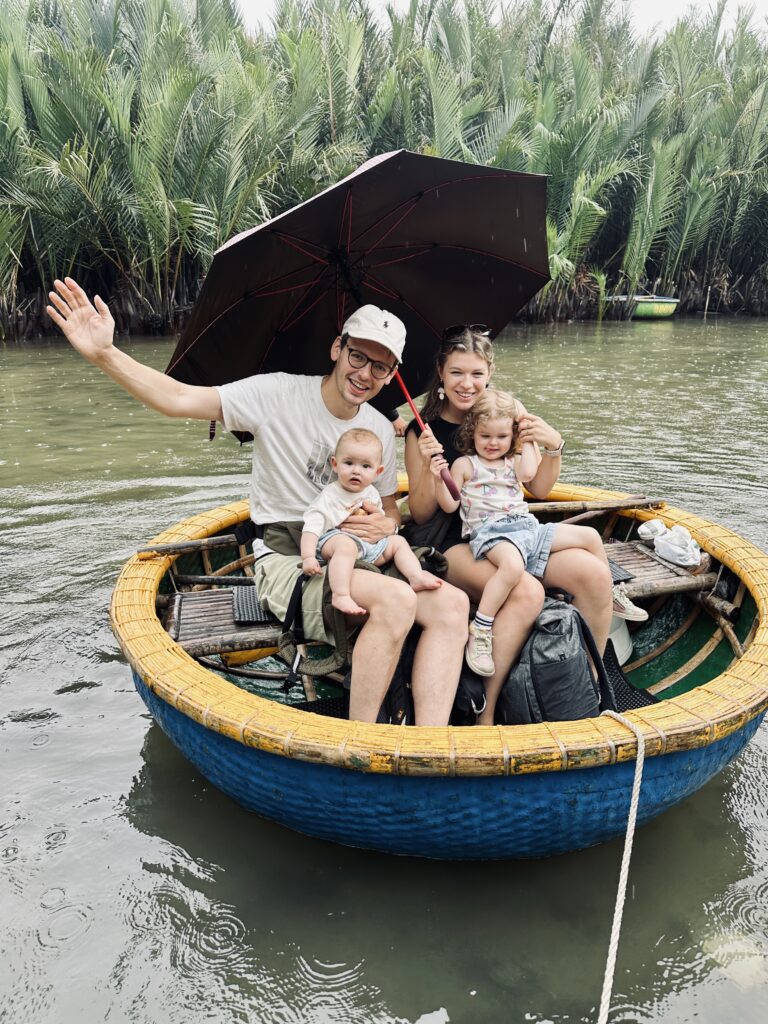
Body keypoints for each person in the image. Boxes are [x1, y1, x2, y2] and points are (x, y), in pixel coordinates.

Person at [46, 280, 468, 726]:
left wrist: (386, 525)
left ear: (391, 374)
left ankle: (429, 743)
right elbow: (178, 398)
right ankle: (363, 741)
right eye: (358, 357)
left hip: (357, 551)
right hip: (289, 557)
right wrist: (105, 354)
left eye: (380, 367)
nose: (365, 374)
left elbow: (389, 510)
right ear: (337, 349)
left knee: (453, 606)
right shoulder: (277, 394)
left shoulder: (380, 427)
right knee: (397, 600)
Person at [404, 325, 615, 725]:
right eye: (456, 373)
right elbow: (421, 514)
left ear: (490, 372)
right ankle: (485, 710)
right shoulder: (423, 430)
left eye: (476, 373)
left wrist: (554, 445)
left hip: (515, 531)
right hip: (456, 541)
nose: (467, 384)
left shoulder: (508, 413)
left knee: (594, 574)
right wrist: (433, 467)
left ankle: (588, 685)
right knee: (526, 591)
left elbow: (539, 487)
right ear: (441, 373)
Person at [431, 389, 646, 712]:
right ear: (472, 433)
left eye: (501, 436)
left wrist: (525, 430)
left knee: (589, 535)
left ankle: (614, 595)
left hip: (526, 529)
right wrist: (439, 477)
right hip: (492, 534)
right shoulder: (465, 464)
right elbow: (450, 504)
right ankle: (482, 628)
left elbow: (531, 475)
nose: (493, 443)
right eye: (485, 436)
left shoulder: (513, 461)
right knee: (512, 568)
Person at [301, 427, 442, 615]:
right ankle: (340, 594)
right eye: (348, 463)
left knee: (398, 541)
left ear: (378, 471)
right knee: (346, 546)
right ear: (335, 464)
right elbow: (312, 526)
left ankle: (415, 576)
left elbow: (378, 523)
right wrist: (308, 557)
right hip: (335, 541)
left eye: (366, 466)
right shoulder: (330, 495)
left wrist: (383, 529)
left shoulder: (372, 492)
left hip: (367, 547)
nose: (356, 471)